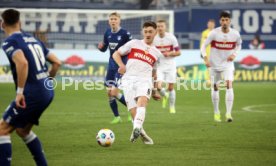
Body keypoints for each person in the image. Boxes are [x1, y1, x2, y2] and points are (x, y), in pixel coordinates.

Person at [0, 9, 61, 166]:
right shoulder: (33, 39)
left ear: (2, 24)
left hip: (31, 94)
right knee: (23, 130)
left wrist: (20, 92)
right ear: (20, 23)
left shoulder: (9, 42)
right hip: (47, 92)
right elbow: (57, 62)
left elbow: (22, 63)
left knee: (2, 130)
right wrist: (46, 82)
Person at [112, 21, 162, 144]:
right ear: (142, 32)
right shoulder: (134, 43)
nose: (148, 34)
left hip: (144, 80)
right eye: (145, 31)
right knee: (134, 112)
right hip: (128, 79)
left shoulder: (157, 53)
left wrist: (155, 91)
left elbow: (153, 73)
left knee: (142, 101)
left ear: (155, 32)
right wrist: (121, 65)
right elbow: (116, 54)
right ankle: (142, 134)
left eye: (150, 31)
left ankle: (136, 128)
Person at [200, 11, 242, 122]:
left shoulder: (235, 34)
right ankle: (216, 112)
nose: (224, 22)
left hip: (227, 64)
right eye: (222, 20)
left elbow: (239, 45)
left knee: (229, 85)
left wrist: (234, 54)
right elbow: (203, 47)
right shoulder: (214, 33)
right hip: (214, 65)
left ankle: (228, 113)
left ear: (230, 21)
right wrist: (205, 58)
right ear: (220, 21)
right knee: (215, 87)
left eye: (226, 20)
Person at [98, 12, 132, 124]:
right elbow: (104, 48)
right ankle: (117, 117)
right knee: (109, 93)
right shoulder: (107, 33)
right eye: (111, 19)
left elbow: (131, 49)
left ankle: (132, 109)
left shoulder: (125, 34)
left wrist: (127, 64)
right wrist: (101, 48)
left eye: (115, 19)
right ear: (109, 21)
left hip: (121, 66)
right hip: (111, 65)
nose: (113, 21)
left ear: (119, 20)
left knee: (114, 92)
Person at [153, 20, 181, 114]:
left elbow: (178, 52)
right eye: (158, 26)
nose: (160, 28)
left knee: (170, 88)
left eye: (162, 26)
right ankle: (165, 96)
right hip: (159, 65)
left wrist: (169, 53)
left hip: (170, 65)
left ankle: (172, 107)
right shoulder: (154, 39)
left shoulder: (171, 38)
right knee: (158, 86)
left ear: (165, 27)